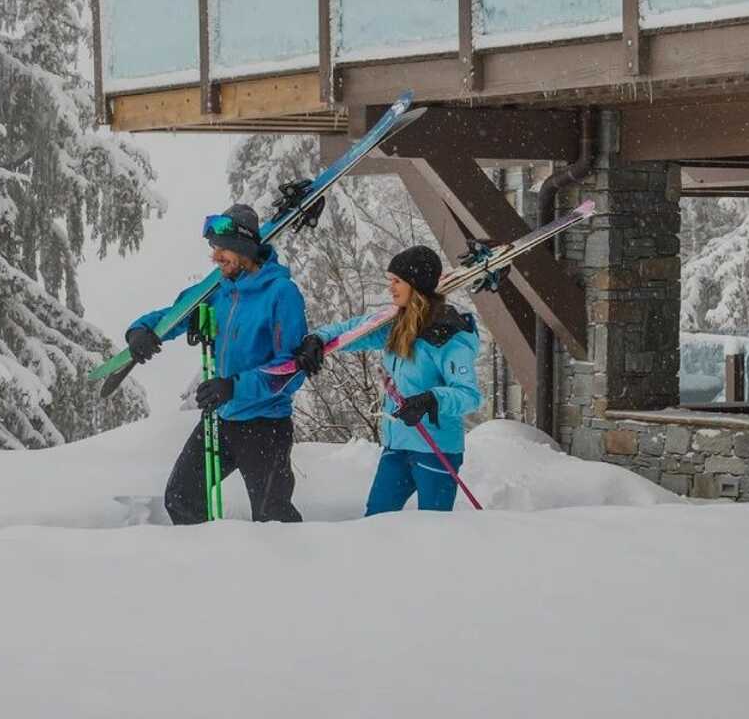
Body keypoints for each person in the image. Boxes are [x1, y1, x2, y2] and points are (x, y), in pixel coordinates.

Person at [123, 205, 306, 525]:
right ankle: (208, 556)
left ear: (244, 247)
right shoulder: (218, 291)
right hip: (221, 420)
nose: (215, 256)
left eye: (222, 249)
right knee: (181, 497)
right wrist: (142, 330)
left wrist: (234, 387)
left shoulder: (281, 293)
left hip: (265, 425)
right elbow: (177, 313)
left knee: (273, 518)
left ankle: (298, 559)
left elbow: (291, 370)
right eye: (213, 248)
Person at [291, 245, 481, 514]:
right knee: (375, 520)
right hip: (398, 446)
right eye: (390, 280)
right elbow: (354, 330)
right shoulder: (397, 325)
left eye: (397, 281)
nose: (390, 288)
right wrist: (318, 339)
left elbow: (469, 395)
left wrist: (431, 399)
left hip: (435, 449)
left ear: (416, 285)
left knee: (435, 528)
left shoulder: (448, 336)